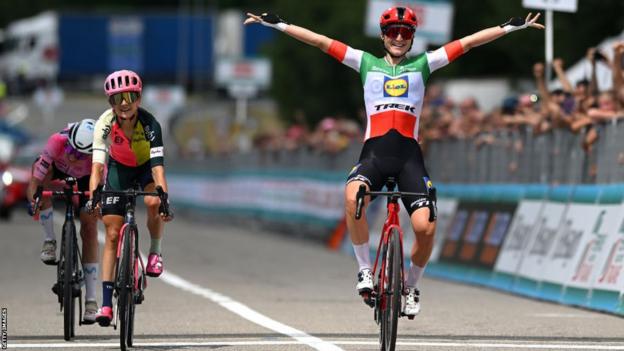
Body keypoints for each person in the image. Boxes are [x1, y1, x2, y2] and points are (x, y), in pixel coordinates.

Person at [245, 8, 543, 317]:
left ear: (413, 37)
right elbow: (321, 42)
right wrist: (279, 25)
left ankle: (412, 285)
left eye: (405, 32)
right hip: (374, 154)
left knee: (425, 228)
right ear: (383, 35)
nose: (398, 37)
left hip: (408, 158)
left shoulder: (424, 64)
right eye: (392, 31)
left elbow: (466, 43)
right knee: (352, 197)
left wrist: (508, 28)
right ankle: (364, 269)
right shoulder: (365, 62)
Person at [87, 70, 173, 326]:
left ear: (139, 98)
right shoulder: (104, 123)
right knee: (112, 234)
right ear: (110, 103)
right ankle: (105, 304)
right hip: (119, 168)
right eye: (117, 98)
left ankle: (155, 252)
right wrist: (94, 198)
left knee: (152, 202)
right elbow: (97, 168)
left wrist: (164, 198)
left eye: (130, 96)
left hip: (146, 166)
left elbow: (158, 169)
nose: (124, 103)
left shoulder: (151, 125)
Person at [26, 118, 100, 324]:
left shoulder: (100, 155)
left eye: (79, 154)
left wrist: (95, 207)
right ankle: (50, 240)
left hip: (89, 177)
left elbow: (100, 194)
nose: (73, 156)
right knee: (42, 183)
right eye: (72, 149)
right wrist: (34, 201)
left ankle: (91, 301)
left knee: (90, 226)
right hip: (57, 168)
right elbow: (34, 182)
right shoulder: (57, 141)